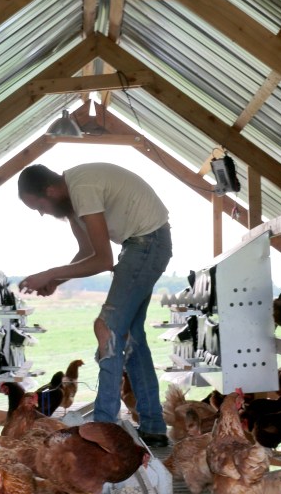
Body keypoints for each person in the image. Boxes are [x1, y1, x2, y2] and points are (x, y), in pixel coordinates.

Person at [17, 162, 172, 446]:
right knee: (132, 337)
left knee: (107, 329)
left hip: (147, 243)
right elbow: (87, 252)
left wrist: (49, 273)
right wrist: (57, 281)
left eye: (39, 206)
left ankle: (103, 427)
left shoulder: (82, 189)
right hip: (140, 244)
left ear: (50, 191)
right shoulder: (73, 201)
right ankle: (153, 425)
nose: (42, 213)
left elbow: (103, 260)